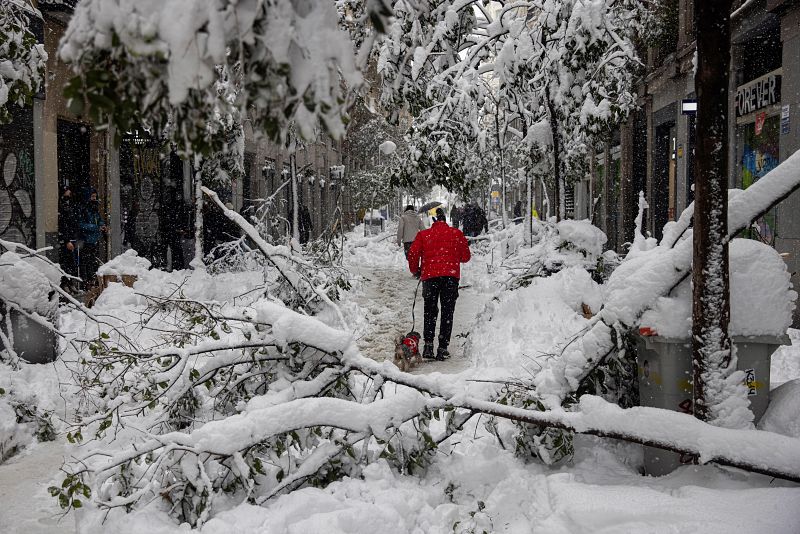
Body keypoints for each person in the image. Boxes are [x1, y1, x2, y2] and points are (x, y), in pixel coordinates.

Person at [407, 208, 471, 360]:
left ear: (434, 223)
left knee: (430, 311)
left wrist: (416, 270)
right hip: (450, 278)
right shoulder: (456, 234)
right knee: (447, 312)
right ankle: (442, 348)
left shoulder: (424, 234)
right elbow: (465, 256)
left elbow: (413, 254)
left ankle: (428, 346)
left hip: (430, 278)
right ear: (446, 222)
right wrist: (452, 257)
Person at [78, 188, 106, 287]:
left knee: (92, 261)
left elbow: (99, 219)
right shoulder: (83, 209)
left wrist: (102, 225)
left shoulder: (94, 209)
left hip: (94, 239)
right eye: (92, 196)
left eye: (95, 196)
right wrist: (95, 227)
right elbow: (81, 224)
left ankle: (92, 279)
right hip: (85, 239)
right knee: (86, 262)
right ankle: (86, 281)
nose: (94, 198)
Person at [58, 186, 80, 286]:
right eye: (67, 193)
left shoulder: (70, 206)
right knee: (67, 263)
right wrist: (67, 240)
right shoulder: (62, 207)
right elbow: (63, 224)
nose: (69, 196)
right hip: (67, 238)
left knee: (72, 263)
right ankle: (65, 283)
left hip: (72, 237)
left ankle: (70, 283)